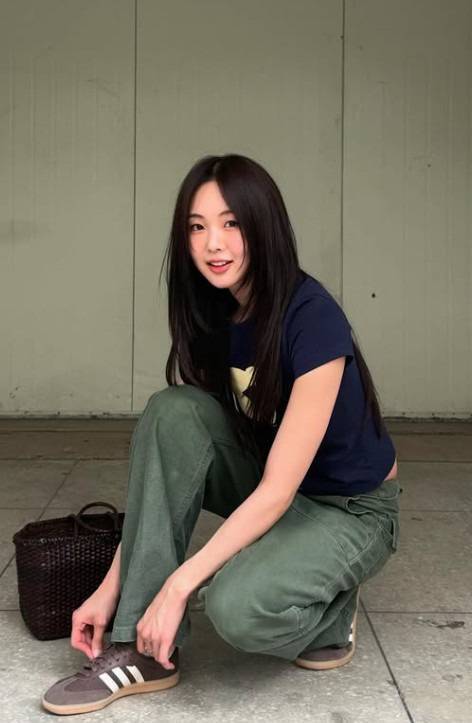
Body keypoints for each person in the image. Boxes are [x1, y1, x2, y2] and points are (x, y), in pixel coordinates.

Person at [41, 154, 400, 715]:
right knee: (173, 413)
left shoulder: (312, 317)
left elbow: (278, 491)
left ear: (264, 226)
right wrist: (114, 590)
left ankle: (332, 610)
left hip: (349, 508)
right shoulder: (216, 311)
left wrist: (178, 587)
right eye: (197, 226)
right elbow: (169, 476)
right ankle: (139, 651)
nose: (214, 244)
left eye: (232, 223)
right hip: (275, 482)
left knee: (237, 609)